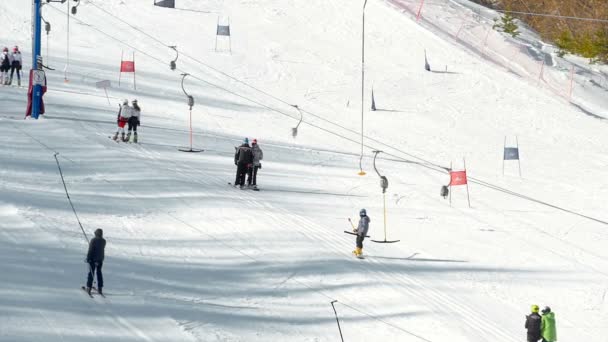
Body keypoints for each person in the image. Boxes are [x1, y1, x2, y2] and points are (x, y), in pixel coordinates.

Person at [85, 228, 106, 295]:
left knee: (91, 273)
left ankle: (89, 287)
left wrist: (88, 258)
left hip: (93, 260)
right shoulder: (104, 241)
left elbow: (91, 250)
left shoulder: (93, 240)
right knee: (99, 273)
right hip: (100, 260)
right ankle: (100, 288)